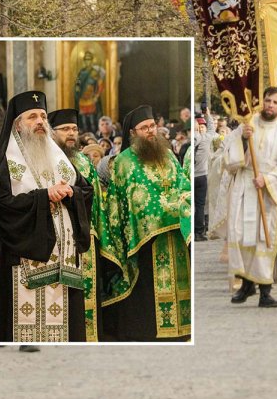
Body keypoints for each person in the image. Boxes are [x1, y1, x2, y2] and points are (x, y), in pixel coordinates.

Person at [0, 91, 93, 342]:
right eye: (32, 116)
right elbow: (3, 207)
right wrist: (44, 195)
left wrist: (70, 193)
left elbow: (86, 190)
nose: (39, 121)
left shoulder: (59, 158)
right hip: (24, 262)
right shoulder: (6, 161)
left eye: (43, 116)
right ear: (18, 124)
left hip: (63, 262)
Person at [98, 105, 192, 341]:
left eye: (152, 126)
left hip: (175, 233)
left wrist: (181, 203)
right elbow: (128, 200)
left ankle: (182, 329)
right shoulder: (124, 162)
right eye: (144, 127)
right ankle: (150, 331)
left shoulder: (168, 153)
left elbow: (182, 183)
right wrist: (161, 212)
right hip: (144, 240)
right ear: (133, 132)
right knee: (147, 286)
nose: (151, 131)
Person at [225, 88, 277, 308]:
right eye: (267, 101)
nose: (270, 105)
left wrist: (267, 179)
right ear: (261, 101)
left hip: (267, 192)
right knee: (240, 234)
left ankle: (265, 290)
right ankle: (246, 284)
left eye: (276, 102)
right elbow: (228, 156)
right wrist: (244, 140)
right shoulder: (247, 125)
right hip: (245, 186)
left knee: (263, 239)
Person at [46, 108, 104, 341]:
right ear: (52, 132)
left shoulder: (83, 161)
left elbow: (96, 198)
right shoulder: (45, 159)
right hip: (54, 237)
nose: (71, 134)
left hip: (83, 234)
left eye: (74, 129)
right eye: (65, 129)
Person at [191, 117, 211, 241]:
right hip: (201, 175)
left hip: (192, 175)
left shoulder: (191, 142)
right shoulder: (206, 138)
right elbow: (212, 129)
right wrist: (207, 115)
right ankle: (198, 232)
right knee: (200, 205)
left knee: (191, 205)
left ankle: (192, 231)